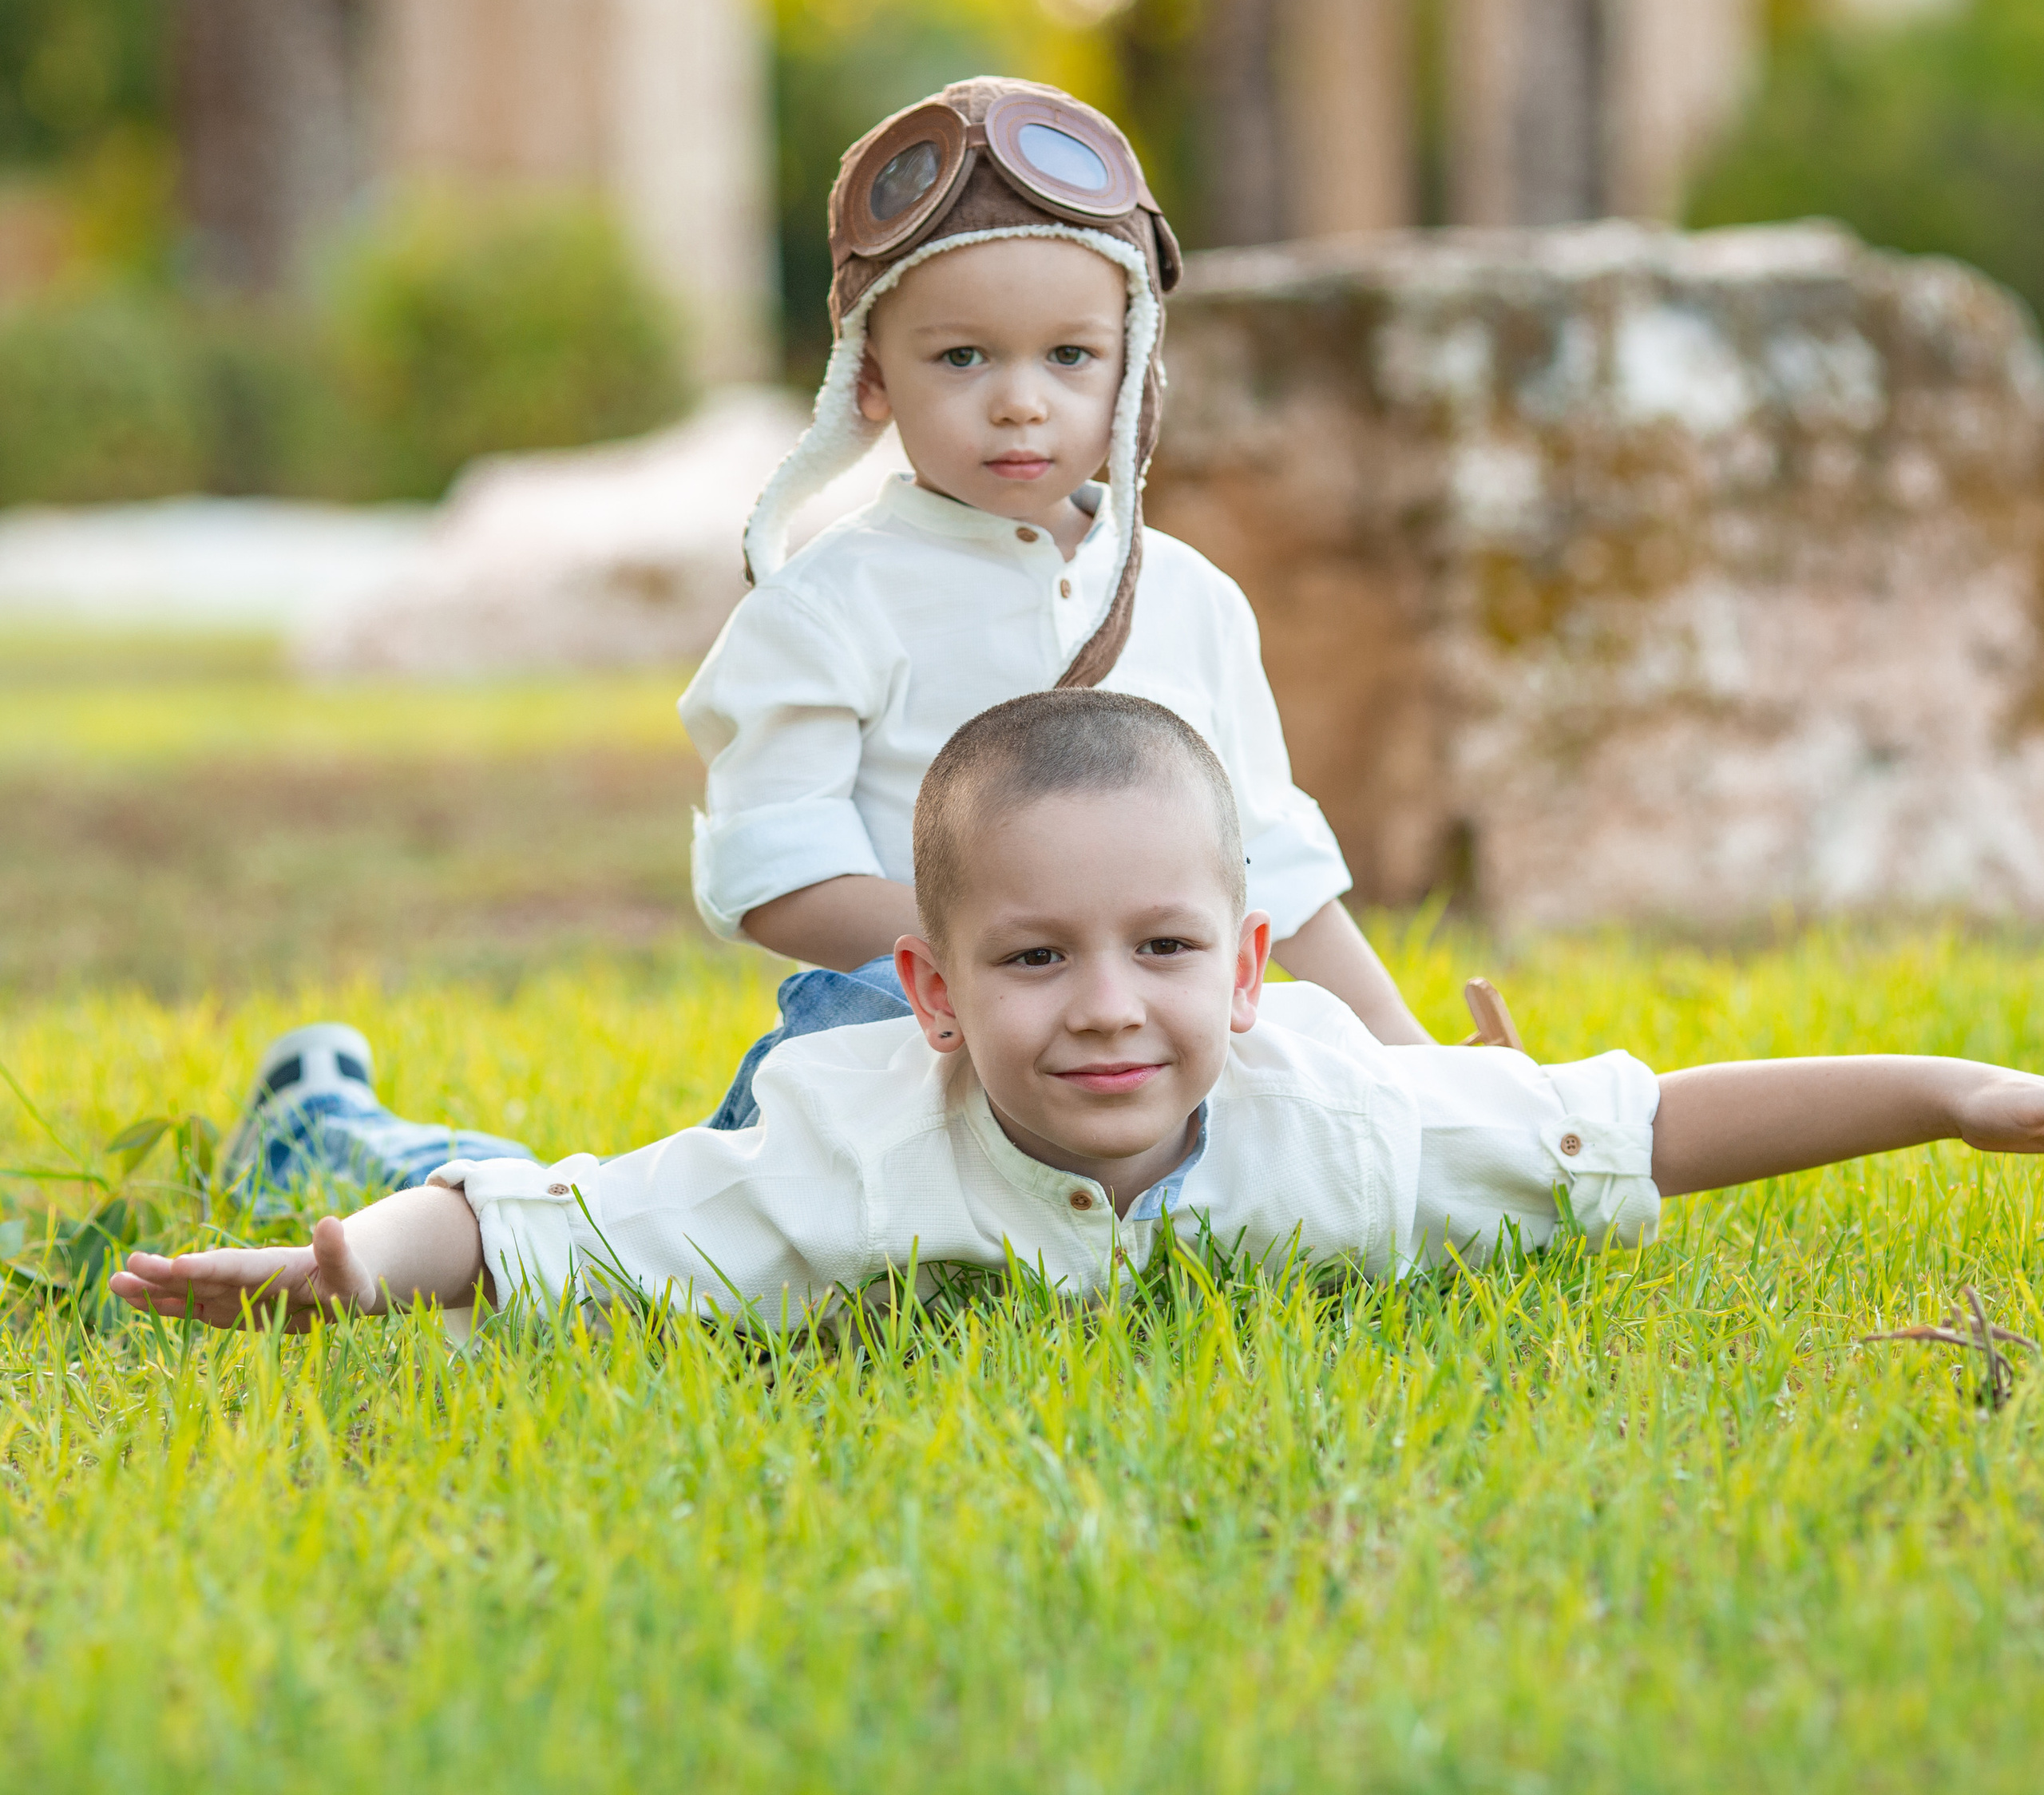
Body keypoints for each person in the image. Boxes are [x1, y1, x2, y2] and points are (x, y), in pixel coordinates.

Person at [113, 692, 2044, 1332]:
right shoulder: (851, 1146)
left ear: (1253, 969)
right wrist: (354, 1263)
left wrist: (1952, 1092)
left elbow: (1651, 1125)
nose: (1108, 1010)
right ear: (935, 993)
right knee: (477, 1175)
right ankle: (327, 1113)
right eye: (1035, 959)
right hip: (601, 1161)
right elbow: (578, 1222)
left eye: (1164, 950)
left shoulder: (1348, 1124)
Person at [679, 75, 1435, 1137]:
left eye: (1070, 356)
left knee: (1349, 1128)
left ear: (1135, 367)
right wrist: (1021, 967)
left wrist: (1412, 1058)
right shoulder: (826, 607)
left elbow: (1272, 864)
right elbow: (776, 876)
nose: (1021, 401)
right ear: (870, 378)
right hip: (904, 1040)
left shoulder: (1190, 599)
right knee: (742, 1204)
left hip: (1153, 1045)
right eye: (962, 357)